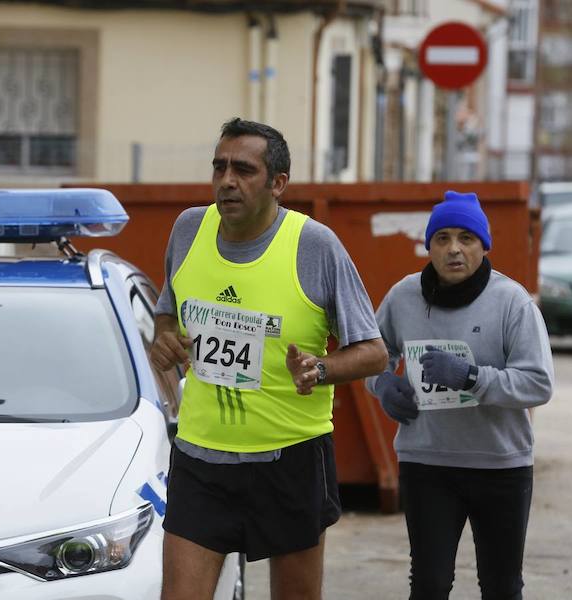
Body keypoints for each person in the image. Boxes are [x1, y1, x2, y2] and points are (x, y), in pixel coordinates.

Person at [150, 117, 387, 600]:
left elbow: (374, 352)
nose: (226, 181)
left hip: (290, 460)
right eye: (219, 167)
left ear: (278, 183)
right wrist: (165, 339)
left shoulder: (314, 246)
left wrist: (321, 370)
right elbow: (167, 314)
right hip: (200, 458)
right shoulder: (188, 229)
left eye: (243, 169)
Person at [365, 190, 554, 600]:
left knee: (501, 587)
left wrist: (471, 378)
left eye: (466, 238)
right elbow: (372, 355)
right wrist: (381, 384)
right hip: (427, 464)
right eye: (443, 238)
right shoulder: (403, 296)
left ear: (483, 246)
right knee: (430, 584)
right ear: (429, 245)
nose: (454, 249)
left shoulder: (512, 303)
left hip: (501, 466)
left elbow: (538, 383)